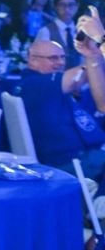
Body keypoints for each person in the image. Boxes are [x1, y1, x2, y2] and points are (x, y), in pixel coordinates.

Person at [17, 25, 105, 178]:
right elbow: (76, 78)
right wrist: (94, 55)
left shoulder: (50, 83)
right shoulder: (32, 85)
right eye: (53, 58)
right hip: (68, 165)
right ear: (32, 60)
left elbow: (81, 78)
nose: (60, 63)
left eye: (62, 57)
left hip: (86, 154)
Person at [37, 0, 84, 69]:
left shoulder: (82, 32)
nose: (67, 9)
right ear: (55, 7)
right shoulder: (46, 32)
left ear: (77, 7)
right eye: (62, 5)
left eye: (71, 5)